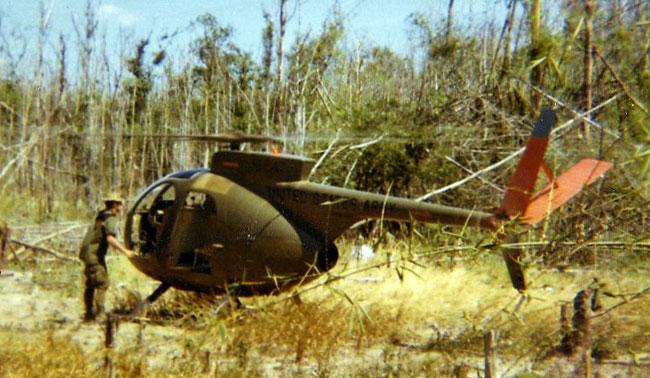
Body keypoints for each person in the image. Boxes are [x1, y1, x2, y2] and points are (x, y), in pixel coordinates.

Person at [79, 192, 134, 322]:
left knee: (91, 284)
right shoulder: (110, 218)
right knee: (102, 283)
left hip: (87, 254)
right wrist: (125, 251)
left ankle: (88, 313)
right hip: (94, 255)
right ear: (115, 204)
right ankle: (100, 314)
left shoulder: (102, 215)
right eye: (120, 203)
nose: (122, 205)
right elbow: (110, 238)